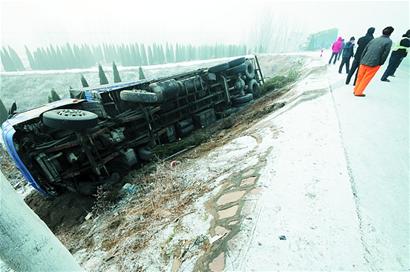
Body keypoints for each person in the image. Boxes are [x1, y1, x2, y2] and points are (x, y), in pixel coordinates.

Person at [354, 26, 394, 97]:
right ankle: (358, 92)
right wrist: (381, 63)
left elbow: (365, 49)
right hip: (374, 63)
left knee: (359, 77)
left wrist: (362, 59)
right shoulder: (389, 41)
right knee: (366, 78)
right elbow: (385, 54)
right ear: (390, 33)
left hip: (364, 61)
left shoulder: (374, 39)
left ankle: (355, 90)